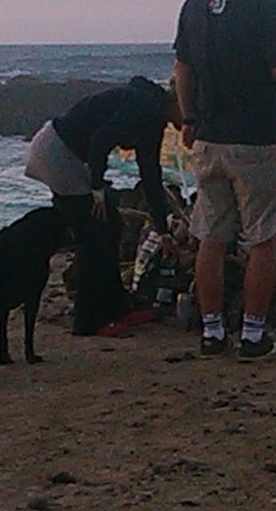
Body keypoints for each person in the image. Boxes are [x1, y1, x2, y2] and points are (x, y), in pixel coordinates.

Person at [173, 0, 276, 360]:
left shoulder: (197, 1)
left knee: (211, 236)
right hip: (256, 136)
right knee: (263, 236)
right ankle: (252, 333)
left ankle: (211, 330)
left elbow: (183, 68)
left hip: (209, 136)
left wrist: (189, 119)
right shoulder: (265, 5)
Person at [24, 74, 179, 335]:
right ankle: (89, 321)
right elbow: (100, 140)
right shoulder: (144, 105)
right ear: (177, 100)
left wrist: (163, 230)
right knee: (95, 236)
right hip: (58, 153)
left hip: (63, 152)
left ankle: (117, 309)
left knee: (111, 226)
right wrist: (96, 188)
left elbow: (150, 173)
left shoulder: (153, 118)